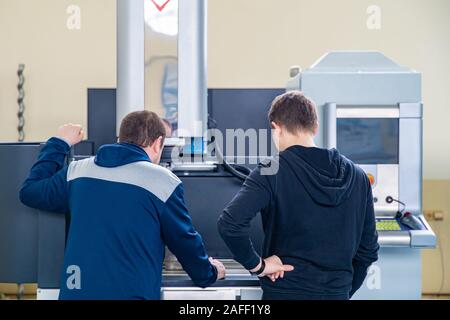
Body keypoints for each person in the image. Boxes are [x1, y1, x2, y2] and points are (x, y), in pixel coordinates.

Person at [20, 111, 225, 300]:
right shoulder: (163, 181)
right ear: (158, 143)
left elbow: (30, 192)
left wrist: (59, 142)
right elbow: (184, 241)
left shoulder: (77, 172)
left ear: (119, 139)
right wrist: (209, 272)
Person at [218, 91, 379, 300]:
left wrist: (258, 266)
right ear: (315, 127)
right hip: (336, 294)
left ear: (276, 128)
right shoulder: (357, 176)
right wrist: (342, 291)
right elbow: (368, 251)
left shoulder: (272, 170)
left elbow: (230, 224)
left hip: (285, 291)